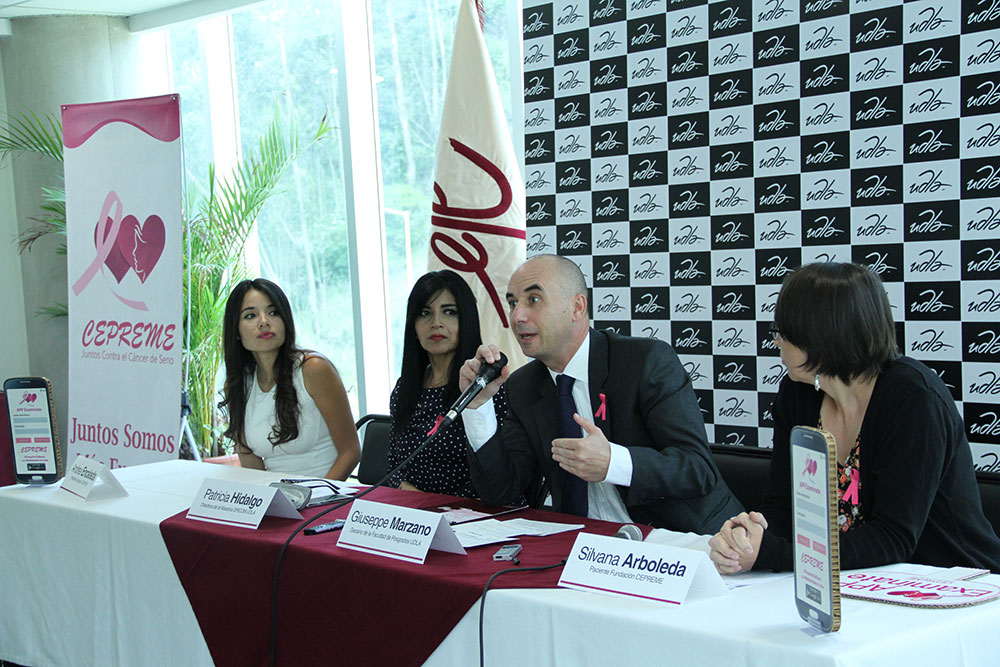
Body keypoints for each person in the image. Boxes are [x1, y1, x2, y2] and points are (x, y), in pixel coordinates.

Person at [709, 262, 1000, 574]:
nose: (776, 341)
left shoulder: (914, 399)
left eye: (782, 331)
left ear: (820, 335)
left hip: (954, 580)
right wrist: (748, 538)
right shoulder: (797, 393)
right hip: (852, 579)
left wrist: (773, 555)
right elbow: (782, 507)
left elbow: (893, 538)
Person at [458, 254, 743, 533]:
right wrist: (478, 405)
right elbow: (501, 493)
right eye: (512, 303)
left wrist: (614, 463)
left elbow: (697, 469)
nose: (517, 316)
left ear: (577, 307)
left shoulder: (644, 362)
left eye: (533, 300)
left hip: (686, 540)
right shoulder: (523, 386)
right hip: (583, 546)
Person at [220, 278, 360, 480]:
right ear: (236, 331)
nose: (264, 321)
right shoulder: (238, 384)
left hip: (327, 491)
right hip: (277, 494)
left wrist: (317, 495)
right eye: (250, 315)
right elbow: (248, 456)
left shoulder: (314, 369)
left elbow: (351, 452)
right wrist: (266, 495)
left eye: (273, 312)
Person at [386, 270, 508, 496]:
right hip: (412, 510)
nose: (436, 323)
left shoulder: (486, 386)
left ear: (466, 320)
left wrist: (431, 504)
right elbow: (394, 464)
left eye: (449, 312)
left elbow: (501, 475)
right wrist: (407, 492)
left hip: (474, 511)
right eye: (425, 313)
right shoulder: (405, 387)